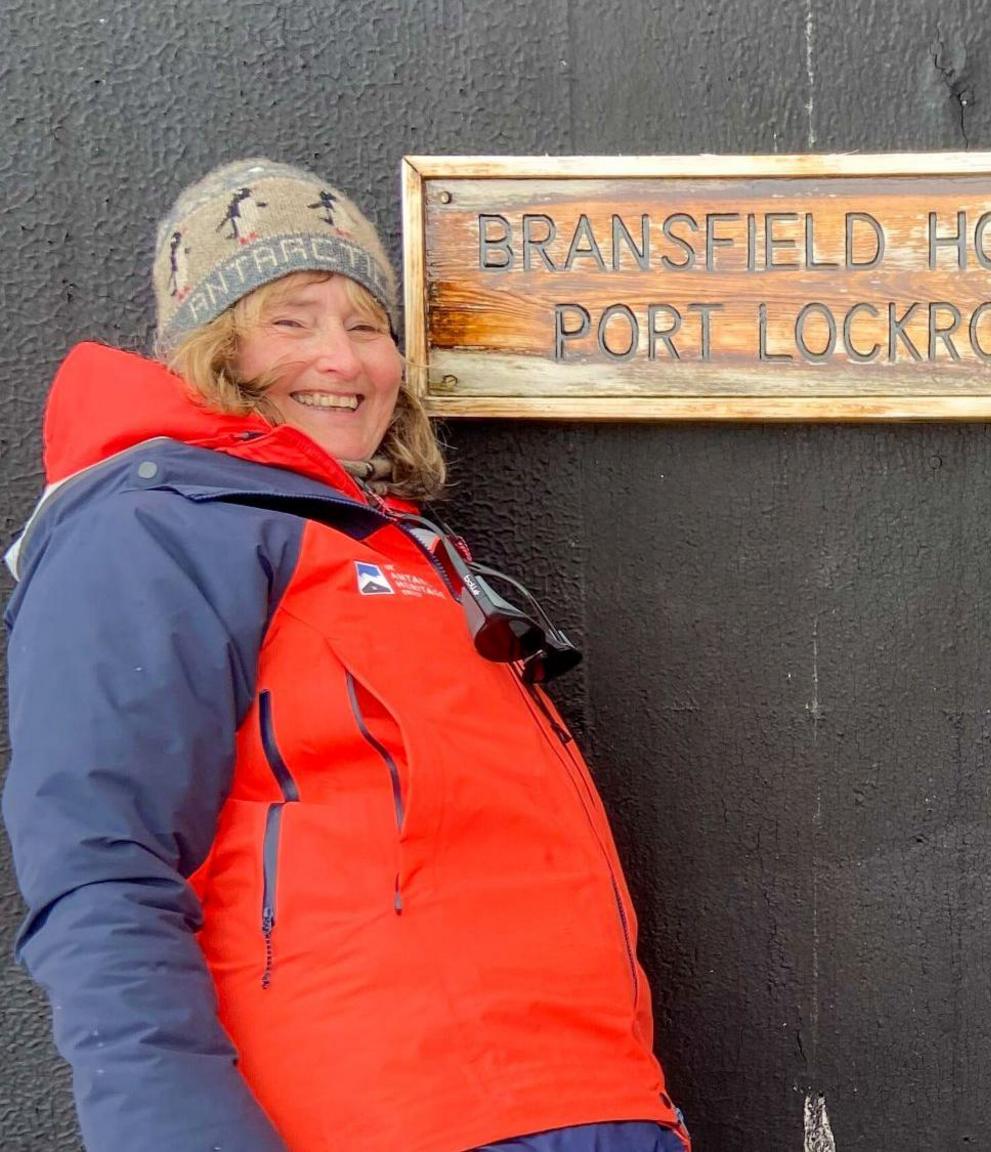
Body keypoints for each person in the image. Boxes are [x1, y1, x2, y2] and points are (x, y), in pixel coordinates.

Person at [2, 160, 689, 1152]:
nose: (343, 358)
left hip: (589, 1103)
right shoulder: (150, 531)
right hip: (382, 1118)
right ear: (211, 347)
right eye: (291, 320)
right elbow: (103, 870)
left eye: (367, 325)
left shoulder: (397, 544)